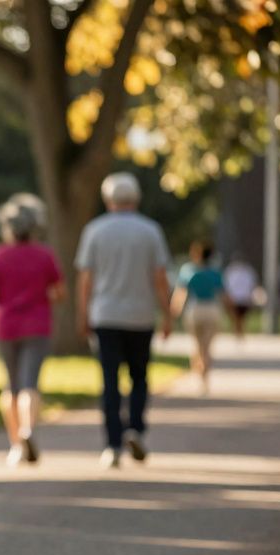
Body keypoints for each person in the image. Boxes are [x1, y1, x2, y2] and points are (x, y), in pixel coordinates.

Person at [75, 172, 173, 469]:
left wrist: (83, 314)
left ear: (108, 200)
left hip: (105, 314)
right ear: (136, 199)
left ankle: (113, 444)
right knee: (139, 376)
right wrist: (167, 313)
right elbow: (160, 278)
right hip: (140, 316)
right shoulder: (150, 231)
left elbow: (86, 279)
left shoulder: (94, 231)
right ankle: (136, 428)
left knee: (109, 380)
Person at [0, 196, 65, 467]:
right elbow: (59, 291)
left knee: (11, 384)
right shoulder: (45, 254)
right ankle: (29, 429)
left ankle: (16, 443)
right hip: (37, 324)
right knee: (30, 383)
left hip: (6, 326)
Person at [172, 242, 233, 394]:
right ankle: (205, 374)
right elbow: (224, 295)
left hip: (194, 309)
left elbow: (180, 294)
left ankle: (200, 372)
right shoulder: (215, 272)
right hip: (212, 310)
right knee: (207, 346)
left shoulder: (187, 270)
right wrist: (233, 315)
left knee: (197, 345)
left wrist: (172, 314)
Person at [222, 255, 258, 341]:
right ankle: (238, 333)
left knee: (240, 317)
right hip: (237, 298)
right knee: (237, 317)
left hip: (242, 298)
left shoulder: (246, 271)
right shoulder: (231, 271)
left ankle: (239, 333)